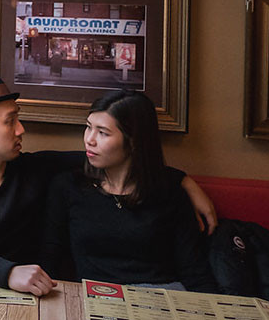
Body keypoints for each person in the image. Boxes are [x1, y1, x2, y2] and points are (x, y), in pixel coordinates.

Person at [0, 76, 216, 297]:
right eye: (11, 121)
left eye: (19, 118)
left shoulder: (34, 169)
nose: (21, 129)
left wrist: (182, 179)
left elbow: (121, 157)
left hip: (32, 291)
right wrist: (8, 272)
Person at [40, 91, 218, 292]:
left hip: (161, 296)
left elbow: (194, 271)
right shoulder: (68, 187)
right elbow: (49, 260)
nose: (89, 140)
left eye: (103, 133)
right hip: (98, 299)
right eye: (88, 127)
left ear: (133, 141)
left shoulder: (169, 192)